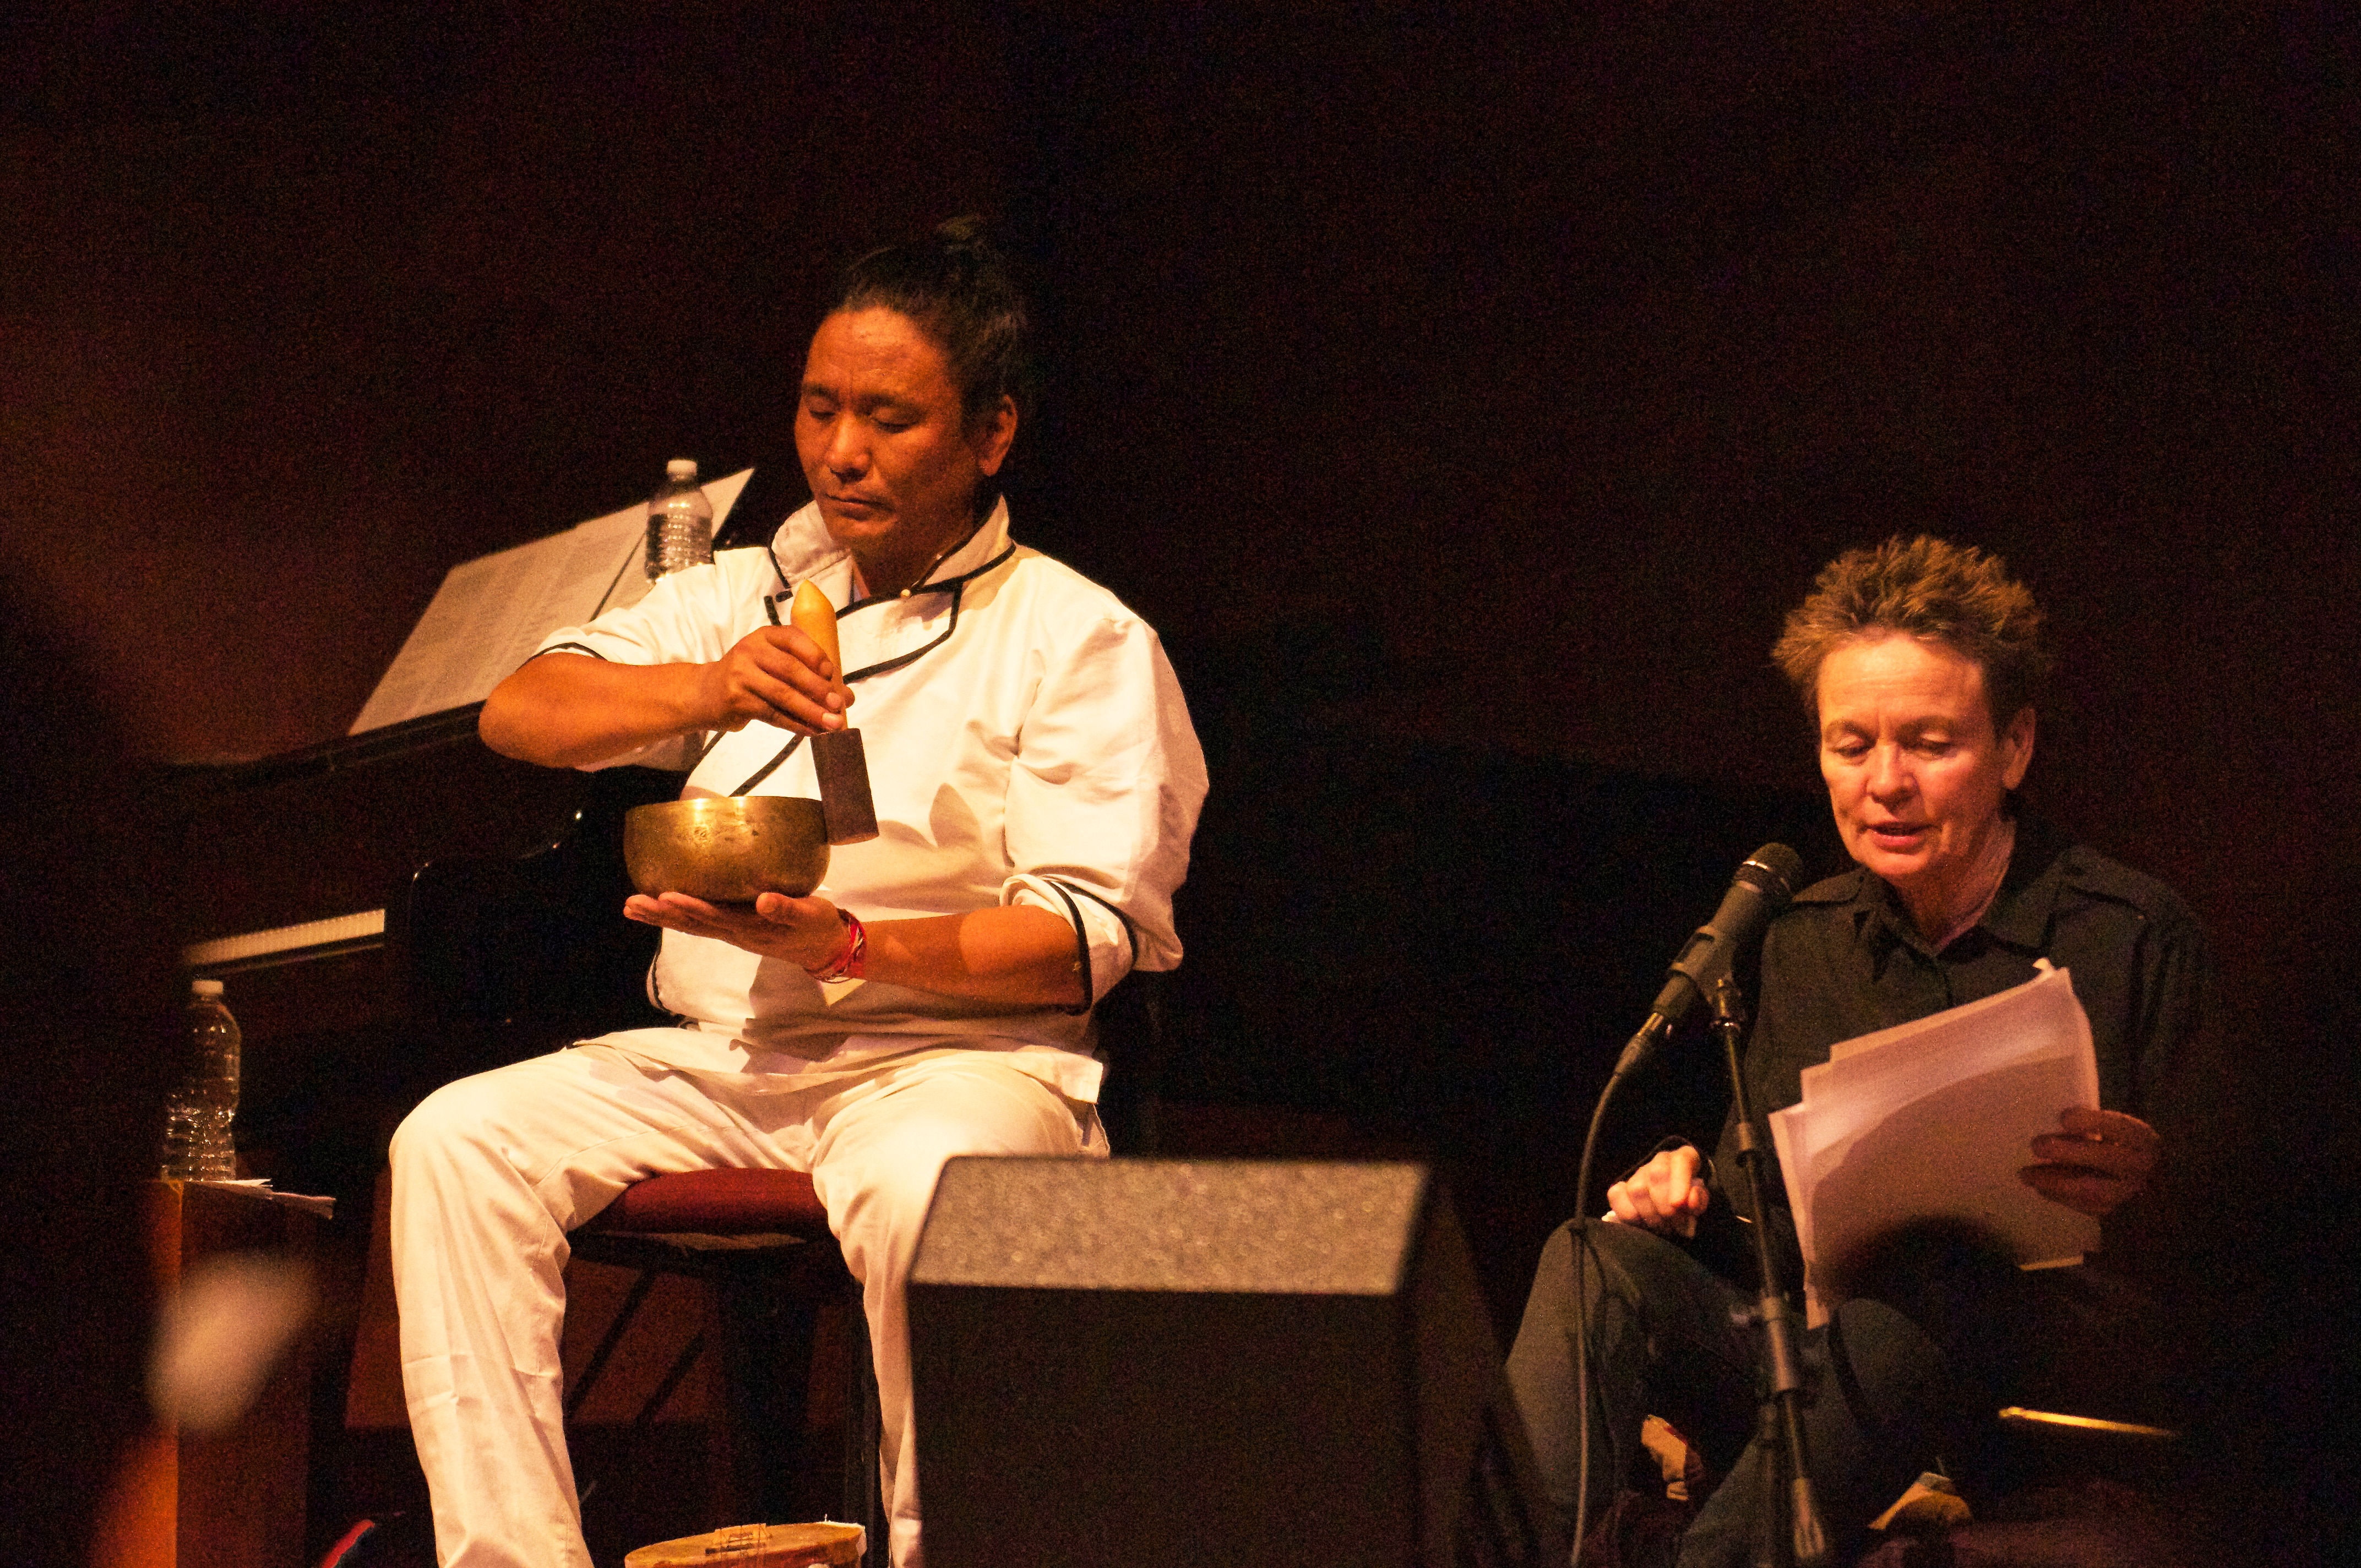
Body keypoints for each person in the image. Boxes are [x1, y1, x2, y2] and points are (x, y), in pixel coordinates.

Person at [390, 219, 1207, 1568]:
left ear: (991, 435)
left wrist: (846, 938)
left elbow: (1076, 943)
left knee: (926, 1178)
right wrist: (714, 681)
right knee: (452, 1143)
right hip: (734, 1056)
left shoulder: (1078, 635)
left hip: (952, 1059)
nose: (841, 451)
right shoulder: (748, 589)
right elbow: (522, 710)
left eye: (888, 418)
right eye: (821, 408)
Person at [1506, 536, 2208, 1566]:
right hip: (1821, 1372)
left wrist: (2157, 1178)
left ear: (2013, 750)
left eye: (1929, 744)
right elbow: (1769, 1241)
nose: (1885, 783)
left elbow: (2256, 1251)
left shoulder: (2132, 934)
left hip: (2038, 1372)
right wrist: (1688, 1197)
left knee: (1933, 1281)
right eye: (1850, 746)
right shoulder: (1794, 940)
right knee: (1592, 1261)